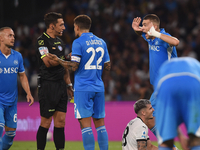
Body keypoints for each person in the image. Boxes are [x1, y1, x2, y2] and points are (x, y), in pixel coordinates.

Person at [47, 14, 111, 150]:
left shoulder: (78, 42)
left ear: (77, 27)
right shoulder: (102, 42)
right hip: (98, 87)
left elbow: (74, 66)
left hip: (83, 88)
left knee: (85, 125)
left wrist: (59, 60)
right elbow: (108, 66)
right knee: (100, 125)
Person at [131, 14, 179, 137]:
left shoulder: (163, 37)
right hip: (161, 86)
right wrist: (136, 29)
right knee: (151, 118)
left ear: (155, 27)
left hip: (167, 84)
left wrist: (156, 34)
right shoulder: (150, 37)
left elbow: (176, 41)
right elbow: (142, 33)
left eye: (145, 25)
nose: (143, 27)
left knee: (146, 116)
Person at [36, 12, 73, 150]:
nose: (64, 27)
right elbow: (47, 62)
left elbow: (63, 66)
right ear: (52, 26)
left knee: (61, 122)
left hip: (61, 85)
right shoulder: (42, 41)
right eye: (61, 24)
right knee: (46, 122)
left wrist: (68, 84)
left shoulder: (60, 42)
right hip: (48, 85)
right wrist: (65, 58)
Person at [154, 57, 200, 150]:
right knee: (196, 138)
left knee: (166, 142)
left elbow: (171, 118)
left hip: (165, 83)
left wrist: (180, 136)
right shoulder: (196, 65)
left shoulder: (164, 67)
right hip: (193, 80)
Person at [0, 27, 34, 150]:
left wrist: (28, 93)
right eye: (9, 35)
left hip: (12, 101)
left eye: (13, 36)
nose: (13, 38)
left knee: (10, 135)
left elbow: (22, 76)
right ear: (1, 38)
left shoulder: (18, 56)